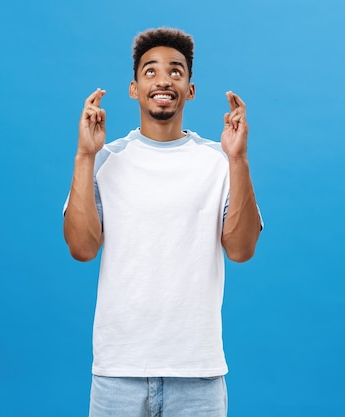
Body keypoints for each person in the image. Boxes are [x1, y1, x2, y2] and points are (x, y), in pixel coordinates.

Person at [63, 27, 262, 417]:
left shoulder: (218, 161)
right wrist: (84, 156)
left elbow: (241, 250)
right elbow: (82, 249)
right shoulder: (106, 160)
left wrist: (238, 159)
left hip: (198, 374)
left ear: (189, 89)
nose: (164, 79)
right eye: (150, 71)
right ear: (134, 88)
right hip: (118, 373)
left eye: (176, 70)